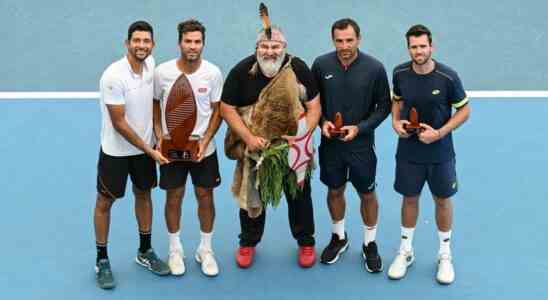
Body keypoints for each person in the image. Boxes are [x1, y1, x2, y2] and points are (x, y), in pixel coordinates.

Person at [220, 26, 321, 268]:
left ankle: (306, 241)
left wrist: (301, 136)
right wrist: (248, 138)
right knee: (252, 195)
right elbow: (226, 107)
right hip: (256, 148)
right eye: (264, 47)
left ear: (284, 48)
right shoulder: (241, 71)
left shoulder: (297, 69)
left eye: (275, 47)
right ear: (256, 49)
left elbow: (314, 107)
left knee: (299, 195)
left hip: (293, 147)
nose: (270, 51)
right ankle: (248, 242)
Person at [387, 24, 471, 285]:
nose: (419, 51)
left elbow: (464, 111)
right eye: (414, 46)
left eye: (423, 46)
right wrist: (395, 122)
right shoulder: (400, 73)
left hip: (440, 152)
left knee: (442, 200)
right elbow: (397, 100)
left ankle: (444, 255)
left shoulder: (448, 77)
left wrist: (440, 132)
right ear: (408, 48)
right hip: (409, 151)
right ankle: (405, 251)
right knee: (409, 199)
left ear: (431, 47)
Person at [94, 20, 170, 289]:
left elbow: (152, 102)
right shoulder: (113, 76)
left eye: (146, 41)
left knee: (144, 194)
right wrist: (151, 149)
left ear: (153, 44)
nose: (141, 46)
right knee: (105, 202)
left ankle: (145, 251)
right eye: (136, 41)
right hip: (116, 152)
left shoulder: (151, 65)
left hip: (145, 148)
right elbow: (120, 123)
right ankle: (102, 259)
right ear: (127, 43)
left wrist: (158, 133)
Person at [311, 18, 391, 272]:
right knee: (334, 190)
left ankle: (369, 243)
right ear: (333, 40)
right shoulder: (321, 65)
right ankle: (339, 237)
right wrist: (321, 123)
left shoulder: (375, 68)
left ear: (359, 39)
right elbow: (313, 103)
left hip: (361, 146)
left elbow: (384, 107)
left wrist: (361, 128)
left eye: (349, 40)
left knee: (367, 193)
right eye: (339, 40)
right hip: (331, 145)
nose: (344, 46)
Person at [153, 19, 223, 277]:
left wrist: (205, 139)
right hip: (171, 148)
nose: (192, 46)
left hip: (203, 148)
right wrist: (160, 135)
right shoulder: (162, 72)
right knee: (174, 196)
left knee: (205, 195)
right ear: (179, 43)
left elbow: (217, 111)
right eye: (188, 41)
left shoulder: (213, 73)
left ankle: (205, 249)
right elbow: (154, 104)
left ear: (203, 44)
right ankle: (175, 249)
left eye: (197, 42)